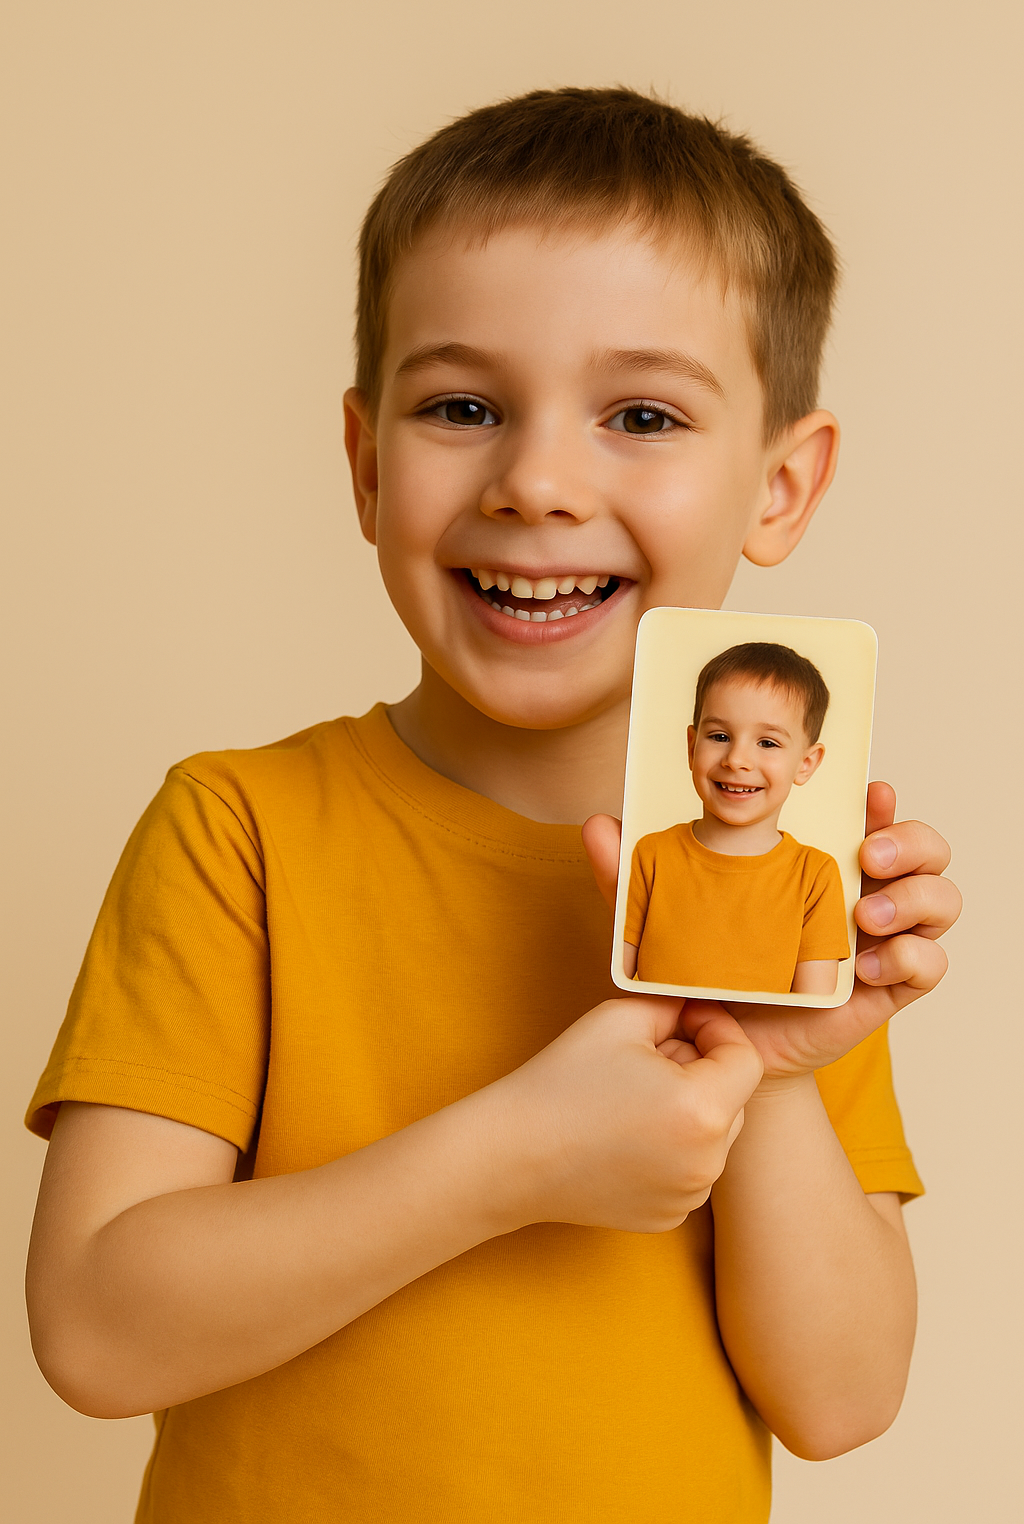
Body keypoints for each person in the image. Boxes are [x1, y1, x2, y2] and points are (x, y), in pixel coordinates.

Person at [24, 88, 961, 1524]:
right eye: (463, 407)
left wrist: (764, 1066)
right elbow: (95, 1331)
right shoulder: (241, 830)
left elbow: (841, 1401)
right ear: (366, 462)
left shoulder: (806, 900)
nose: (534, 483)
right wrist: (514, 1157)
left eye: (640, 415)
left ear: (781, 486)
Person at [625, 641, 850, 994]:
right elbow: (617, 984)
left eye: (768, 743)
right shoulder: (650, 855)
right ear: (691, 746)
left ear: (805, 764)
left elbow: (812, 1007)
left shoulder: (815, 876)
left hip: (760, 1050)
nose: (737, 759)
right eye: (720, 736)